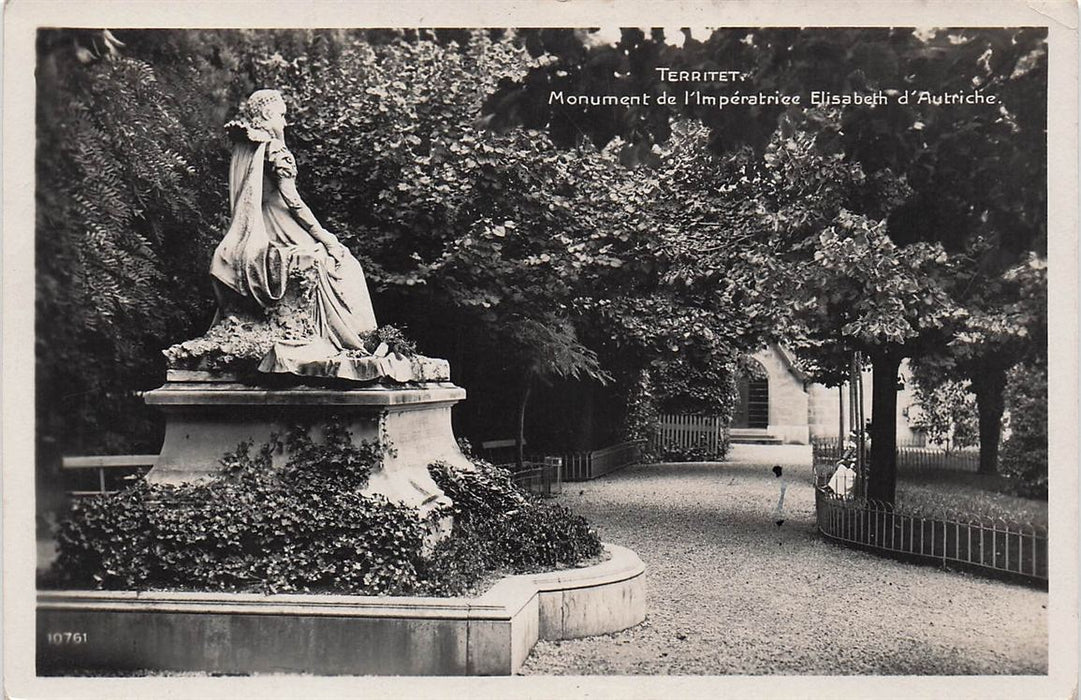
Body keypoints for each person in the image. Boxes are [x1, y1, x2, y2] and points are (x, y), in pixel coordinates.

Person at [210, 89, 377, 353]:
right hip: (280, 230)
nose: (285, 123)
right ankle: (359, 341)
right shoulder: (275, 149)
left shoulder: (246, 147)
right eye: (282, 115)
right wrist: (326, 238)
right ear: (267, 114)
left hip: (253, 232)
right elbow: (295, 203)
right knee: (344, 264)